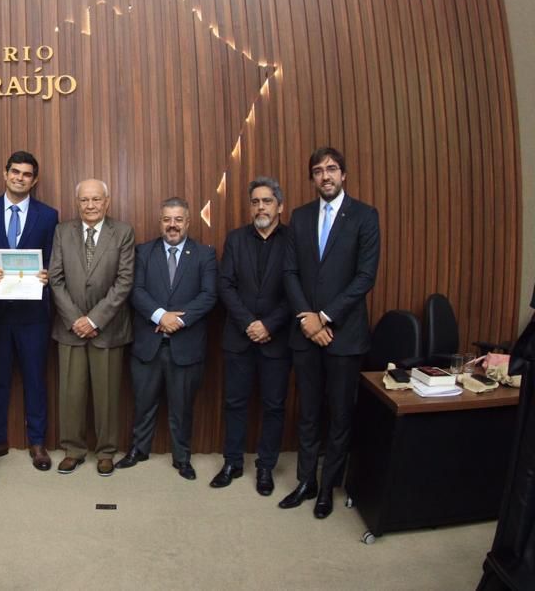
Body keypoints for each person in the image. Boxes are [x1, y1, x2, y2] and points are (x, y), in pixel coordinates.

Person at [280, 147, 380, 519]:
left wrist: (324, 317)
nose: (326, 176)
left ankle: (327, 488)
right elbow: (289, 273)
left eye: (332, 169)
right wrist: (307, 319)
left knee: (339, 415)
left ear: (344, 175)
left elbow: (365, 277)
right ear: (311, 178)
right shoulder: (300, 217)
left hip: (345, 336)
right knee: (307, 412)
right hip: (305, 333)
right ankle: (306, 481)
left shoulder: (365, 216)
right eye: (319, 171)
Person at [0, 151, 58, 471]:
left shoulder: (48, 215)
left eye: (26, 174)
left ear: (34, 180)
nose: (20, 178)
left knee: (36, 378)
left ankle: (37, 441)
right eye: (15, 172)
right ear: (4, 173)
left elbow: (53, 258)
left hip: (33, 314)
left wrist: (47, 273)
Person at [120, 197, 216, 480]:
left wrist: (179, 320)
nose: (172, 225)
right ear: (160, 222)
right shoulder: (143, 251)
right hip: (148, 344)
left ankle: (182, 457)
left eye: (178, 220)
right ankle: (138, 449)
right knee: (143, 402)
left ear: (188, 222)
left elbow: (209, 295)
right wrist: (161, 315)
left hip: (186, 346)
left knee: (182, 407)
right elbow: (135, 290)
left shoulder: (204, 254)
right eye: (166, 219)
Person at [49, 179, 134, 477]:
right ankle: (73, 449)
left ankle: (106, 451)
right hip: (69, 328)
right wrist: (76, 319)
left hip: (108, 329)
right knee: (71, 395)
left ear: (107, 202)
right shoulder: (62, 231)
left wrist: (94, 319)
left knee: (107, 394)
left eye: (96, 199)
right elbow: (55, 280)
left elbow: (124, 282)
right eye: (84, 200)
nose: (90, 205)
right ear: (77, 202)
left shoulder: (123, 232)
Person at [212, 177, 291, 495]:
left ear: (280, 206)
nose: (261, 206)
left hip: (278, 337)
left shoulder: (294, 240)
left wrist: (268, 324)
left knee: (274, 405)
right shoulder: (236, 239)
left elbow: (296, 291)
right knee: (235, 402)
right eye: (256, 201)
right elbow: (225, 285)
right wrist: (249, 323)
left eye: (267, 201)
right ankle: (232, 462)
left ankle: (265, 467)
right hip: (239, 336)